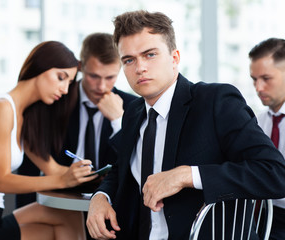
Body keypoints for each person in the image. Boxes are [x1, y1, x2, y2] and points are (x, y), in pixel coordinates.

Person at [86, 10, 285, 240]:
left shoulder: (215, 101)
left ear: (175, 58)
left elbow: (275, 174)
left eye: (150, 55)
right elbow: (121, 170)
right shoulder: (133, 112)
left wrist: (186, 176)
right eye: (129, 60)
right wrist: (100, 197)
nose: (139, 67)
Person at [0, 41, 99, 240]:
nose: (65, 89)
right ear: (40, 65)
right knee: (60, 225)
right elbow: (2, 181)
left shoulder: (24, 118)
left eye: (69, 83)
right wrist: (62, 179)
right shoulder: (1, 108)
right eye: (61, 78)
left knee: (68, 216)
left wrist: (95, 176)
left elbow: (53, 170)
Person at [16, 33, 137, 208]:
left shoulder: (132, 106)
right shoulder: (54, 98)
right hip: (58, 201)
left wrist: (118, 120)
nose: (101, 86)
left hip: (111, 207)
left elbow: (138, 162)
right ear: (80, 67)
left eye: (110, 77)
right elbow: (30, 161)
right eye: (94, 76)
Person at [249, 38, 285, 240]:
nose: (258, 87)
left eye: (266, 78)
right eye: (254, 79)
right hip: (262, 215)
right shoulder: (257, 122)